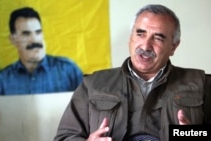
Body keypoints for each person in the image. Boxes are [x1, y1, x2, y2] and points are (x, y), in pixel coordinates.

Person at [54, 4, 211, 141]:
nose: (146, 45)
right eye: (140, 34)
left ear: (173, 47)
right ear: (130, 38)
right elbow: (64, 137)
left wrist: (193, 134)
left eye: (158, 38)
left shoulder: (201, 83)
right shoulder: (93, 84)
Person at [0, 7, 83, 95]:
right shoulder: (2, 80)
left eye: (38, 32)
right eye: (26, 34)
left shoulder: (69, 70)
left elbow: (88, 107)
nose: (35, 39)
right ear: (13, 40)